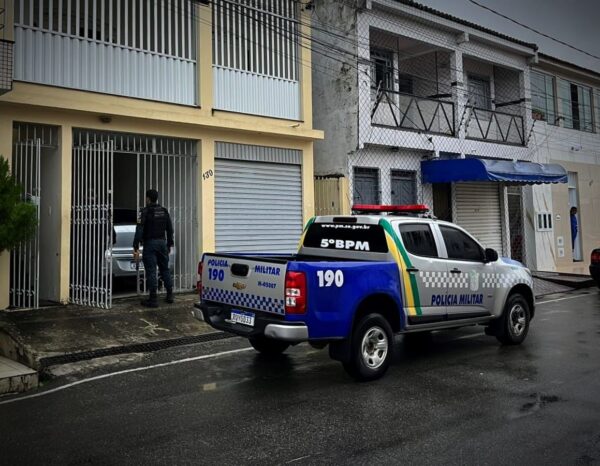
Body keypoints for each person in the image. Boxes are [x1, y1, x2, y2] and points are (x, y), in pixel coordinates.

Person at [133, 189, 174, 307]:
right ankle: (170, 295)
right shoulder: (164, 211)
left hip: (150, 244)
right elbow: (170, 229)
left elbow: (139, 229)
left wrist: (135, 245)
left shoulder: (144, 212)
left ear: (148, 198)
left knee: (151, 271)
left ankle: (153, 299)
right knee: (164, 269)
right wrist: (169, 244)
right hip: (162, 243)